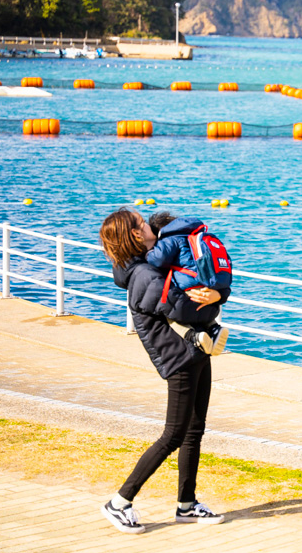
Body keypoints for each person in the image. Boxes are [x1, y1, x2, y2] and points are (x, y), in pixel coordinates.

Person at [99, 208, 228, 534]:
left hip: (197, 351)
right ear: (134, 235)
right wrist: (216, 298)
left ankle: (187, 505)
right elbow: (187, 308)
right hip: (179, 358)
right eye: (142, 224)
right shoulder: (145, 277)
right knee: (172, 435)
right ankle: (119, 502)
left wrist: (217, 292)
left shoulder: (153, 267)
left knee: (194, 430)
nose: (150, 226)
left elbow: (193, 299)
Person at [147, 212, 228, 355]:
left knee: (170, 317)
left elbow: (158, 259)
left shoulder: (170, 239)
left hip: (187, 298)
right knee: (204, 315)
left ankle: (194, 336)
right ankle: (215, 328)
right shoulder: (198, 237)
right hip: (210, 299)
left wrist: (148, 253)